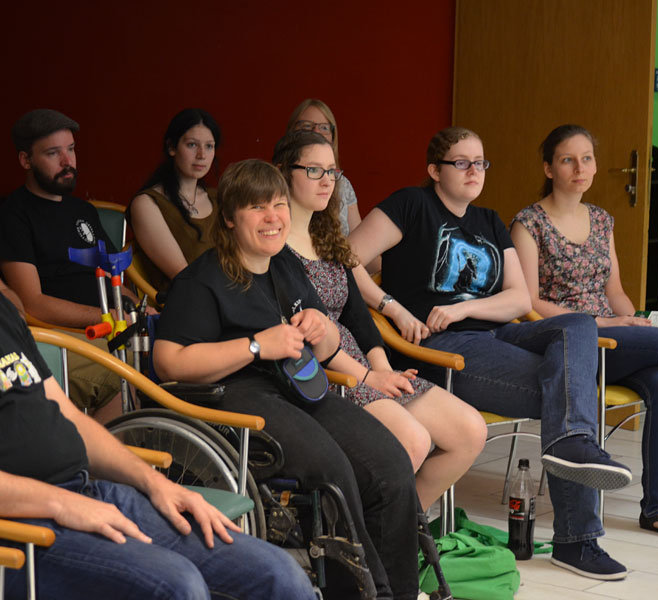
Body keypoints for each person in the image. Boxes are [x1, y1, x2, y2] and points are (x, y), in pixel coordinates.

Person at [0, 142, 316, 600]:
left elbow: (64, 412)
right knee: (175, 587)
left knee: (277, 575)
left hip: (80, 494)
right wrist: (61, 505)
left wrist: (156, 484)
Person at [348, 127, 633, 581]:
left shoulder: (489, 220)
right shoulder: (410, 204)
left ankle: (572, 449)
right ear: (434, 170)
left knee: (577, 325)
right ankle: (577, 539)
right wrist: (393, 307)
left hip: (498, 333)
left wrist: (465, 309)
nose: (474, 171)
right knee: (569, 395)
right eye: (461, 162)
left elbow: (519, 299)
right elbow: (345, 258)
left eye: (480, 162)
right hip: (444, 348)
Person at [154, 158, 421, 599]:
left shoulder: (285, 265)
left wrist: (321, 325)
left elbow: (327, 345)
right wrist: (255, 346)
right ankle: (366, 593)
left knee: (390, 462)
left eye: (278, 204)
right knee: (332, 471)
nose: (273, 217)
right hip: (233, 396)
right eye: (257, 207)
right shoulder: (202, 280)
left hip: (298, 385)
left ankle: (400, 591)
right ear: (229, 217)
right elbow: (169, 361)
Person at [511, 124, 658, 543]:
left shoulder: (602, 220)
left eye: (587, 158)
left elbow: (614, 291)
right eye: (567, 160)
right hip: (568, 346)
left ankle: (656, 509)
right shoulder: (529, 223)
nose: (579, 168)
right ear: (548, 168)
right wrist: (607, 324)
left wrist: (636, 322)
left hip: (613, 340)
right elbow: (528, 303)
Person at [274, 130, 486, 511]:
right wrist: (369, 377)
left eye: (332, 171)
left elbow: (357, 315)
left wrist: (384, 370)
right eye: (313, 170)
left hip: (364, 364)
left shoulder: (326, 236)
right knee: (413, 441)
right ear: (283, 173)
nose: (327, 181)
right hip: (323, 372)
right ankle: (379, 531)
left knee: (470, 431)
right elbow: (303, 335)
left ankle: (404, 527)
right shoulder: (273, 246)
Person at [0, 108, 128, 421]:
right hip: (68, 335)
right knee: (125, 371)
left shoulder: (83, 210)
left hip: (111, 324)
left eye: (71, 150)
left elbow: (113, 273)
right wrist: (106, 316)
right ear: (25, 160)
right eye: (53, 153)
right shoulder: (14, 216)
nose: (68, 162)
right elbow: (33, 304)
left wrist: (136, 310)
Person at [127, 108, 221, 295]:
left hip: (228, 297)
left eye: (209, 146)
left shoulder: (218, 197)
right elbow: (184, 276)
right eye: (192, 145)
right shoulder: (147, 203)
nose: (202, 155)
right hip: (187, 302)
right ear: (171, 147)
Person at [286, 99, 361, 236]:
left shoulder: (342, 184)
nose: (316, 132)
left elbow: (359, 240)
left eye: (324, 127)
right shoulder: (273, 184)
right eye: (307, 126)